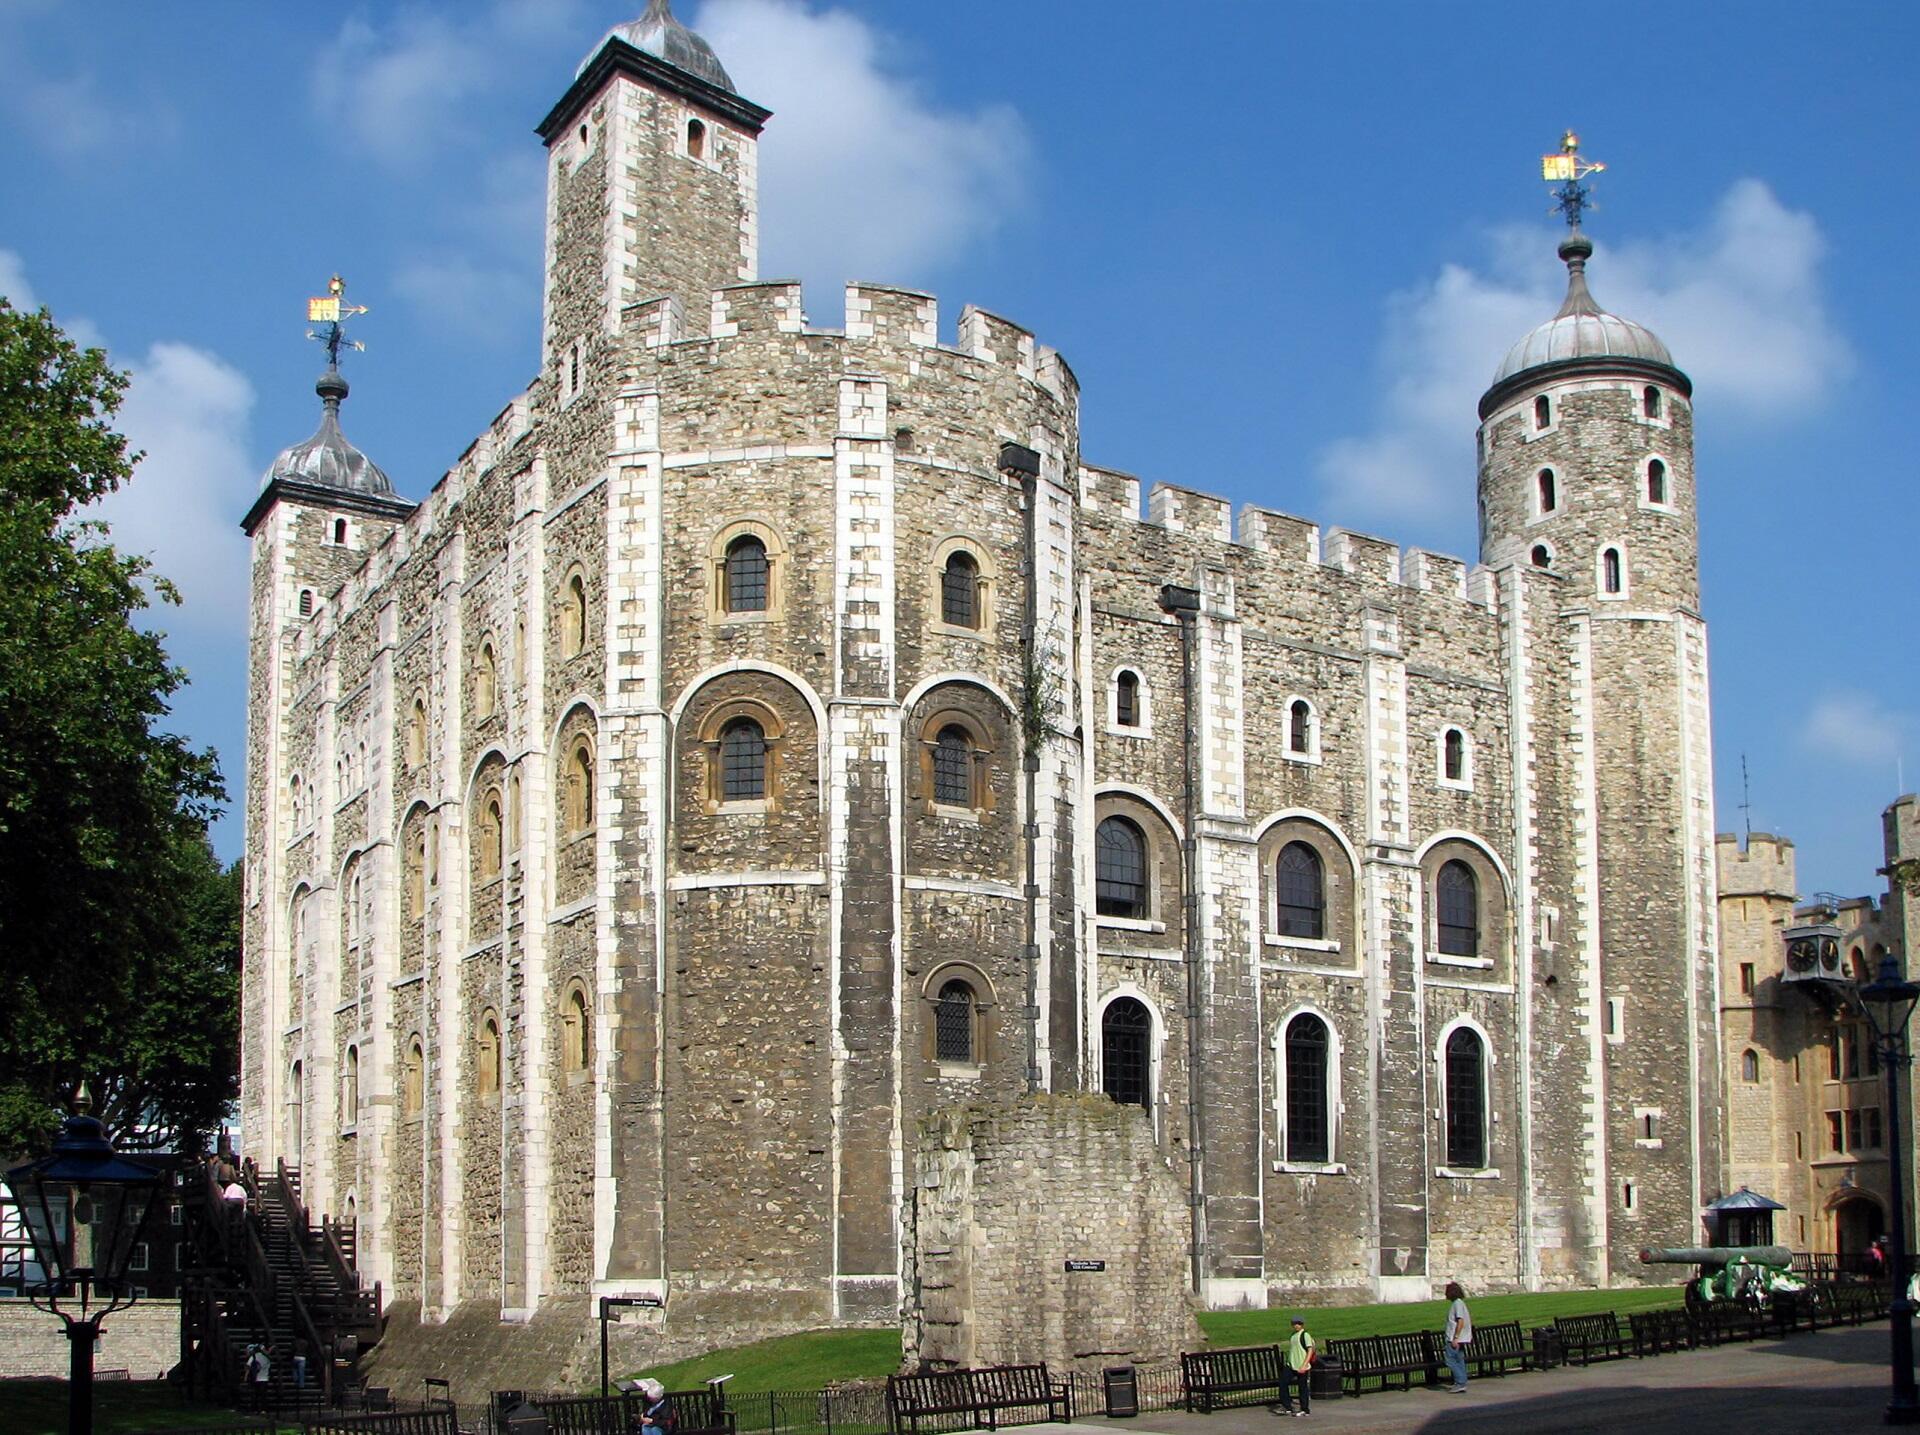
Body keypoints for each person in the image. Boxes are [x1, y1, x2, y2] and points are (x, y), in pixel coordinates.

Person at [1269, 1315, 1314, 1417]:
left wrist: (1304, 1364)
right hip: (1291, 1364)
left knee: (1302, 1387)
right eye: (1294, 1324)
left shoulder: (1305, 1335)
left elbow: (1310, 1350)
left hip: (1302, 1365)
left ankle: (1305, 1409)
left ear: (1302, 1325)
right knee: (1283, 1383)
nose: (1296, 1326)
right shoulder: (1293, 1336)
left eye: (1298, 1324)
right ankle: (1287, 1407)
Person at [1442, 1281, 1472, 1393]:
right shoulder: (1459, 1303)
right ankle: (1461, 1381)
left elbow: (1460, 1321)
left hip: (1455, 1338)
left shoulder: (1457, 1304)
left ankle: (1460, 1381)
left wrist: (1456, 1338)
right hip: (1459, 1338)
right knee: (1459, 1359)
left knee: (1450, 1360)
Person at [244, 1343, 273, 1411]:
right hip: (265, 1378)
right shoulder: (266, 1358)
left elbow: (248, 1366)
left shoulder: (253, 1357)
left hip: (256, 1378)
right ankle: (264, 1409)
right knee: (263, 1395)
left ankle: (254, 1408)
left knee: (255, 1394)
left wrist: (245, 1376)